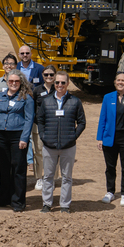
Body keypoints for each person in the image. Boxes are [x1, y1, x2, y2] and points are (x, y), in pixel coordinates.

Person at [36, 70, 86, 213]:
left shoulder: (75, 101)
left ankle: (65, 205)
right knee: (48, 176)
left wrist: (72, 137)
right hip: (49, 145)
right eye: (57, 82)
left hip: (68, 146)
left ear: (68, 83)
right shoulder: (46, 101)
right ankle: (46, 203)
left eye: (63, 82)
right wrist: (43, 136)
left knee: (66, 177)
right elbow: (40, 120)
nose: (59, 85)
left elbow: (82, 122)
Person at [0, 70, 34, 212]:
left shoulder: (26, 98)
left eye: (16, 81)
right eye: (11, 81)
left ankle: (18, 201)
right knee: (3, 168)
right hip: (2, 135)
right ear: (7, 82)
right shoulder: (0, 96)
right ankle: (3, 198)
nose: (13, 83)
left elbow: (29, 120)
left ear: (21, 82)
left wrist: (24, 138)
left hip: (18, 136)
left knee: (18, 169)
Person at [97, 72, 124, 207]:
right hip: (110, 137)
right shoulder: (107, 97)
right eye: (118, 80)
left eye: (123, 80)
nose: (120, 82)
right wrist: (100, 138)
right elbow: (102, 119)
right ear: (115, 82)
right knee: (110, 167)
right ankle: (110, 192)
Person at [30, 65, 57, 190]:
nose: (49, 77)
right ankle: (39, 178)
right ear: (42, 76)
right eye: (46, 75)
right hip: (38, 126)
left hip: (54, 126)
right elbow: (33, 107)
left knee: (54, 152)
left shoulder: (58, 90)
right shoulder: (37, 90)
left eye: (51, 74)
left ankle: (52, 178)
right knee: (38, 152)